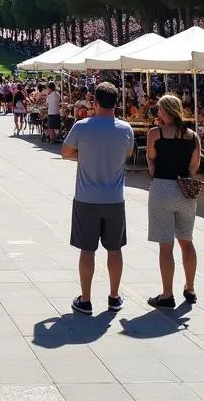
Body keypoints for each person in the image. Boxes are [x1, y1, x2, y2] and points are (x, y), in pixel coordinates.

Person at [61, 82, 134, 315]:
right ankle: (114, 296)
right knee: (115, 249)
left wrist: (83, 157)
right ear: (117, 102)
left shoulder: (82, 127)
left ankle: (86, 299)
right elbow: (129, 153)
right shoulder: (125, 128)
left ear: (95, 102)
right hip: (114, 198)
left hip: (87, 197)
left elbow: (65, 153)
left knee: (87, 250)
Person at [145, 94, 201, 309]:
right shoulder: (193, 136)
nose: (156, 113)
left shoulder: (155, 133)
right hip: (185, 191)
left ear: (165, 111)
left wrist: (152, 164)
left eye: (158, 109)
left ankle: (167, 294)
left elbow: (152, 156)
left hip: (162, 189)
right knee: (186, 242)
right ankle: (190, 287)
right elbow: (194, 167)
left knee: (165, 246)